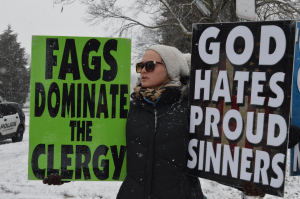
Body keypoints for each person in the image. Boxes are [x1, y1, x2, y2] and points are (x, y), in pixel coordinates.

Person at [43, 45, 265, 198]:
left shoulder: (194, 109)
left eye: (150, 66)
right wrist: (65, 170)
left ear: (170, 69)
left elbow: (226, 148)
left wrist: (246, 182)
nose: (143, 72)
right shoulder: (127, 107)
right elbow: (97, 146)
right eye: (141, 66)